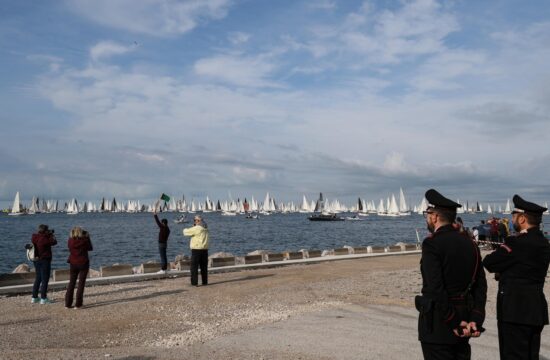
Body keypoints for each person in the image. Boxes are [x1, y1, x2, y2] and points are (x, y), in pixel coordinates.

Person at [417, 189, 487, 360]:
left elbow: (435, 288)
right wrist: (475, 318)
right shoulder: (470, 243)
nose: (427, 218)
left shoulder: (432, 244)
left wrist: (453, 321)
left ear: (434, 216)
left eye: (427, 214)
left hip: (439, 323)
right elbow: (480, 285)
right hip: (466, 320)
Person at [483, 195, 550, 360]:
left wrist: (502, 272)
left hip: (514, 311)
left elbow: (490, 262)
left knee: (512, 355)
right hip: (535, 309)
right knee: (530, 354)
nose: (511, 220)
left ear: (522, 218)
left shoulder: (517, 243)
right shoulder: (543, 242)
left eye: (514, 216)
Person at [65, 227, 93, 309]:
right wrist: (87, 237)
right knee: (81, 284)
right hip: (83, 263)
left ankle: (68, 303)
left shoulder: (70, 241)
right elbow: (90, 248)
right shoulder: (84, 240)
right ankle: (78, 304)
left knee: (71, 283)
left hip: (73, 263)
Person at [31, 224, 58, 304]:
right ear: (45, 230)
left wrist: (48, 234)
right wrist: (51, 235)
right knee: (45, 279)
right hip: (45, 260)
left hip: (36, 260)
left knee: (38, 278)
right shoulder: (46, 238)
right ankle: (43, 298)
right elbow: (54, 242)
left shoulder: (34, 237)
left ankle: (34, 297)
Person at [183, 215, 209, 286]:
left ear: (198, 221)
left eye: (195, 220)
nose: (194, 221)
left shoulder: (197, 228)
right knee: (204, 267)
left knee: (194, 267)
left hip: (196, 250)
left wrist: (193, 227)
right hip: (205, 250)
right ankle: (204, 282)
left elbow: (185, 232)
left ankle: (194, 283)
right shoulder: (206, 228)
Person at [153, 208, 170, 274]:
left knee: (162, 257)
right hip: (165, 244)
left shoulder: (163, 227)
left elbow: (157, 222)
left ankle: (163, 270)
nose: (161, 223)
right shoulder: (168, 229)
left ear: (163, 223)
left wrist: (155, 215)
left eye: (162, 222)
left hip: (161, 244)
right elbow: (159, 223)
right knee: (164, 256)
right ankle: (165, 269)